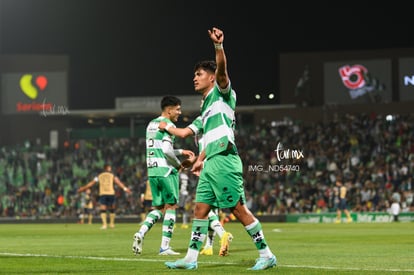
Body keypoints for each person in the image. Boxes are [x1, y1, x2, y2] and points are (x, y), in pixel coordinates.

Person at [165, 27, 277, 271]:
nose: (194, 78)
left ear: (211, 78)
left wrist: (218, 46)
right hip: (211, 161)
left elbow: (223, 71)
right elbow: (210, 137)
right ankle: (190, 259)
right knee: (201, 209)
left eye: (199, 74)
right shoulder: (206, 105)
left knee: (237, 208)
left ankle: (267, 254)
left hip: (225, 159)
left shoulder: (222, 92)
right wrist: (199, 159)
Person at [160, 116, 233, 257]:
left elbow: (183, 133)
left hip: (209, 166)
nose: (202, 103)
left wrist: (167, 127)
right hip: (221, 164)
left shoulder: (205, 117)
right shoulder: (220, 118)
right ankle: (209, 245)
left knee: (203, 207)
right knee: (213, 207)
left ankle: (222, 233)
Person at [132, 96, 196, 256]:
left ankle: (140, 233)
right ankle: (165, 247)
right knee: (172, 206)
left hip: (152, 171)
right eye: (178, 109)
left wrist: (180, 152)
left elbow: (161, 149)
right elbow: (167, 151)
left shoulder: (151, 124)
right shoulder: (169, 125)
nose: (180, 112)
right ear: (169, 109)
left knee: (158, 208)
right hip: (166, 171)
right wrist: (178, 165)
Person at [77, 164, 132, 229]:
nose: (110, 169)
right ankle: (111, 224)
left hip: (103, 193)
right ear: (106, 168)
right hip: (110, 193)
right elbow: (118, 182)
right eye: (109, 168)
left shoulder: (99, 176)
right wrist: (125, 189)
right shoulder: (112, 175)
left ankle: (105, 225)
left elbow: (91, 183)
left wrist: (83, 188)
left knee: (104, 209)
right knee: (111, 208)